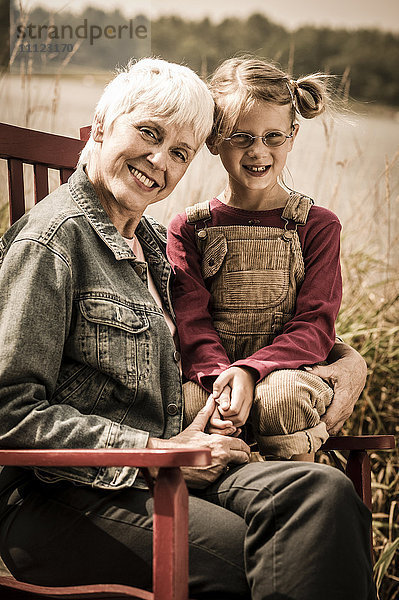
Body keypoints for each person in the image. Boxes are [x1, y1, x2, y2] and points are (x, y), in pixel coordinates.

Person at [0, 57, 375, 600]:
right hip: (64, 495)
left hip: (171, 466)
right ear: (103, 125)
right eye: (149, 133)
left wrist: (343, 360)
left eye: (179, 152)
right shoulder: (52, 243)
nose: (160, 160)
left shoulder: (154, 247)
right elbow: (9, 412)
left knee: (325, 494)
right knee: (260, 557)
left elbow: (237, 333)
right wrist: (154, 451)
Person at [168, 57, 345, 461]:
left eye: (273, 137)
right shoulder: (189, 228)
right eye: (241, 137)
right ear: (214, 139)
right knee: (192, 406)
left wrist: (250, 371)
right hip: (212, 370)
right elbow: (191, 322)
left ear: (293, 135)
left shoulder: (317, 226)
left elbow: (316, 326)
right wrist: (222, 378)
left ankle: (297, 494)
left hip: (290, 372)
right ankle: (215, 512)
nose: (258, 151)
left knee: (279, 398)